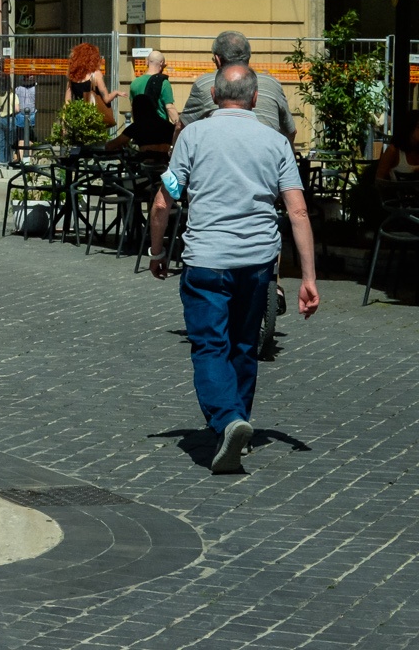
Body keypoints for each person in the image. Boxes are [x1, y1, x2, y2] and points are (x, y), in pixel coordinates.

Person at [148, 64, 319, 474]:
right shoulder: (275, 142)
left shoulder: (192, 137)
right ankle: (238, 421)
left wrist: (156, 253)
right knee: (244, 345)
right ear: (256, 99)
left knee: (210, 345)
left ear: (213, 96)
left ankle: (227, 421)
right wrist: (309, 277)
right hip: (257, 263)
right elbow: (297, 209)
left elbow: (162, 202)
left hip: (206, 260)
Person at [177, 30, 297, 141]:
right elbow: (291, 131)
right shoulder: (272, 84)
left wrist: (173, 152)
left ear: (217, 60)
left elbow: (182, 127)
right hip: (268, 156)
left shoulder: (205, 83)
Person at [68, 42, 118, 126]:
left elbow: (67, 102)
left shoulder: (72, 77)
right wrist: (116, 92)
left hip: (77, 118)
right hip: (93, 118)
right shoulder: (96, 74)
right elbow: (107, 99)